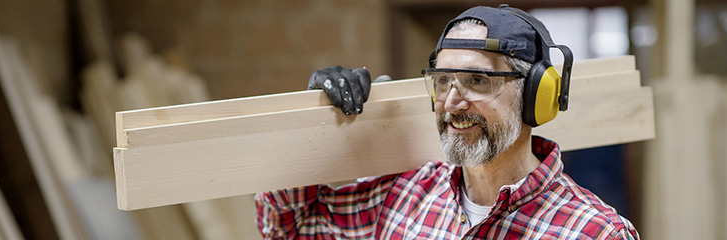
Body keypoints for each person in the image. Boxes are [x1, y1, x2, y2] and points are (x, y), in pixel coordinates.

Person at [255, 5, 639, 239]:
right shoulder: (403, 198)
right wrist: (316, 122)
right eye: (442, 81)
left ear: (536, 94)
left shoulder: (594, 232)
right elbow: (288, 228)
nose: (452, 102)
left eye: (477, 81)